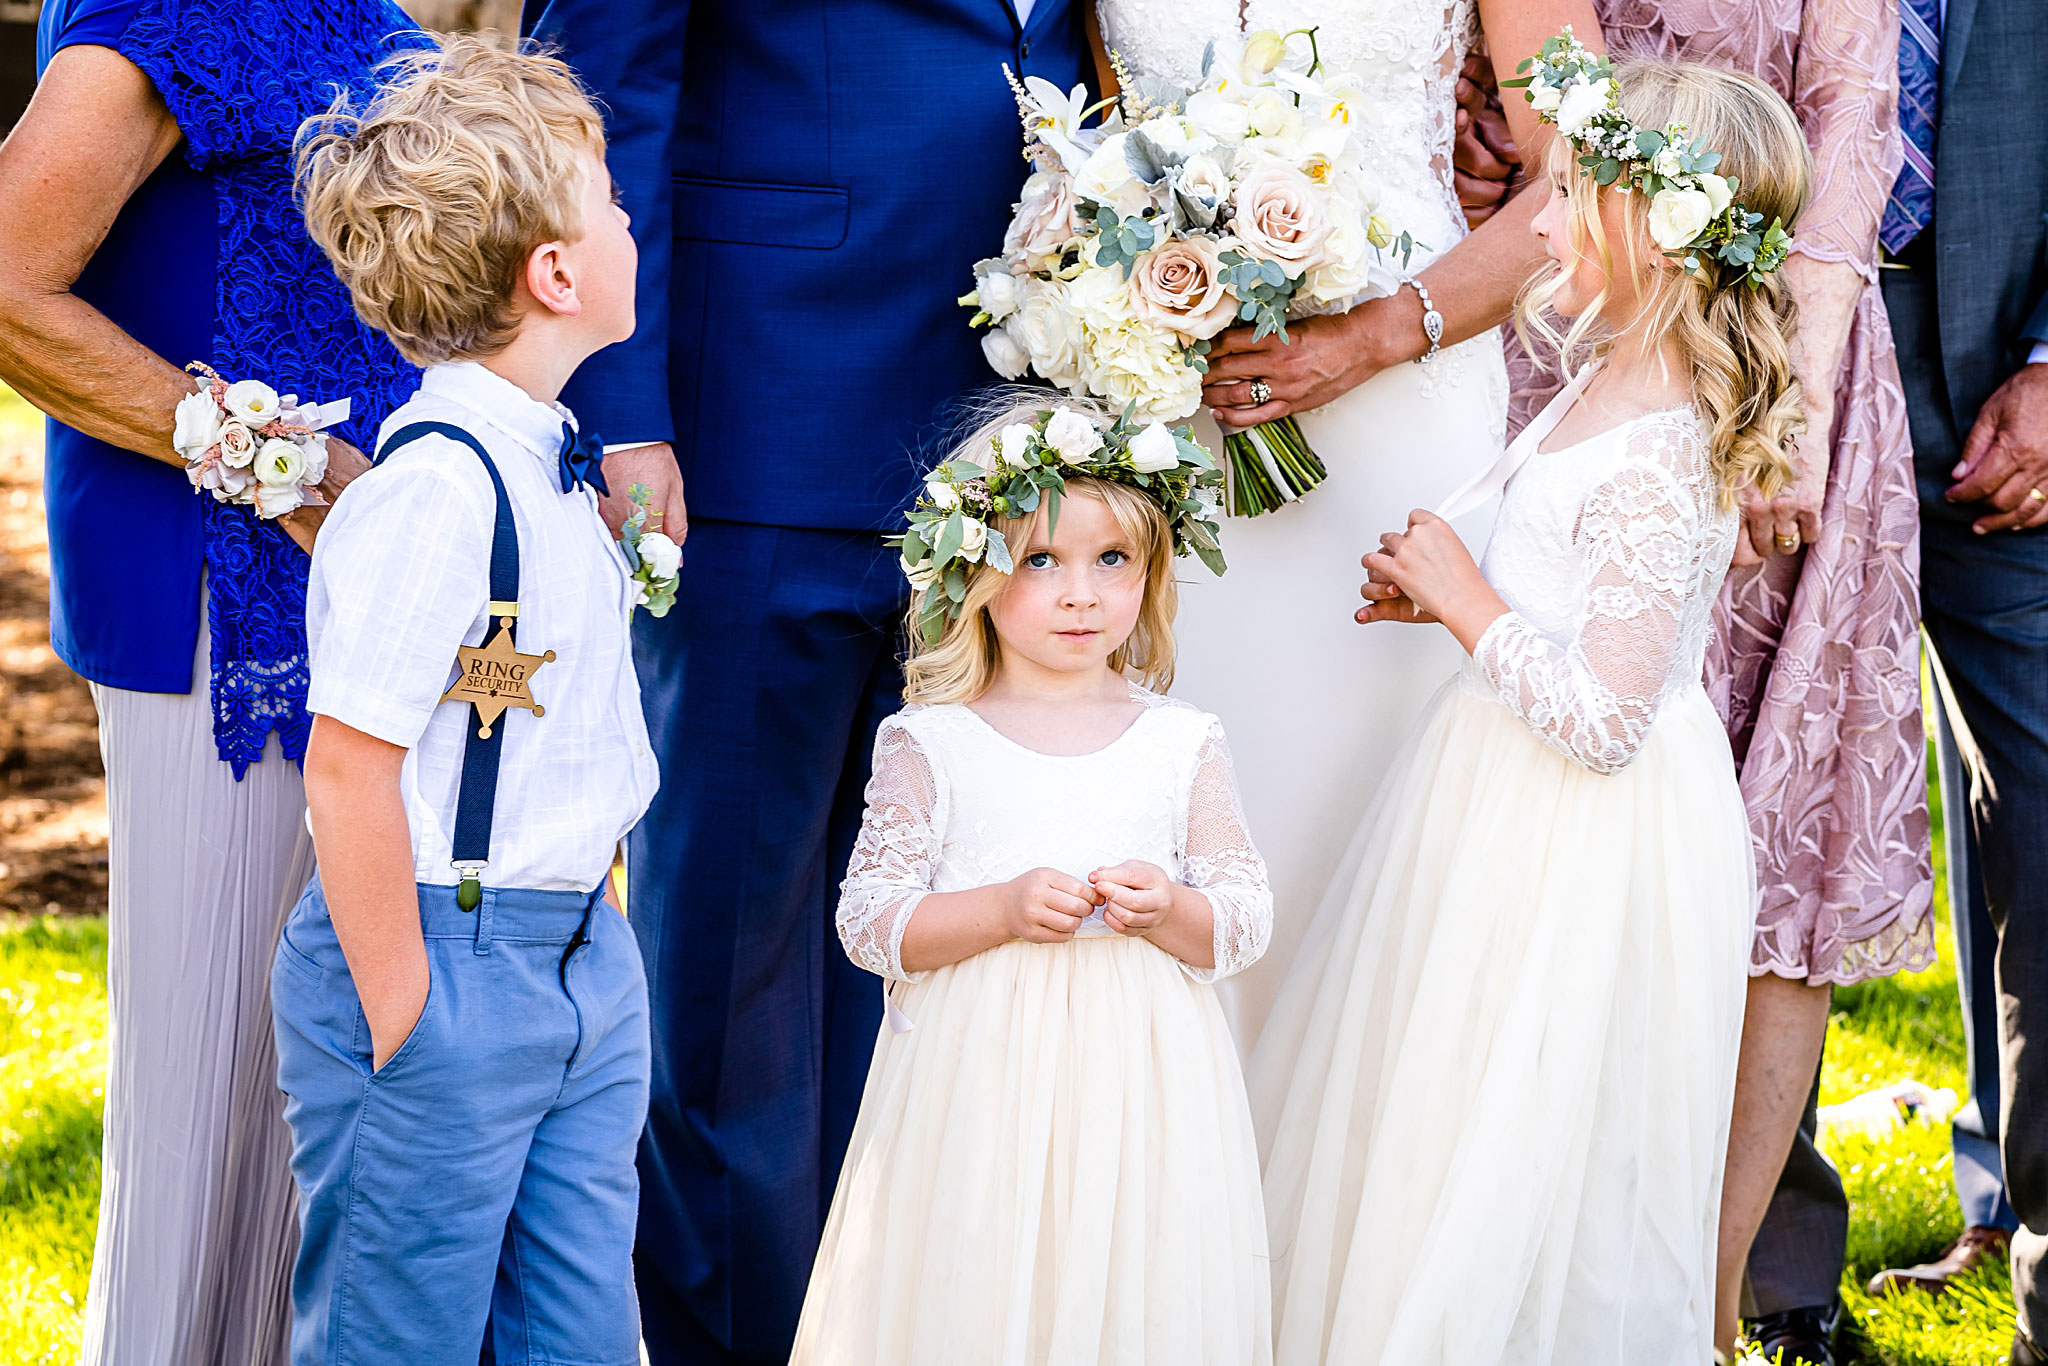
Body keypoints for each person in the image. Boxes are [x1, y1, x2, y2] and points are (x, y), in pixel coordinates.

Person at [516, 4, 1092, 1356]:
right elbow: (593, 95)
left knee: (920, 948)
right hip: (755, 428)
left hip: (1008, 464)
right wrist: (625, 407)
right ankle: (725, 1336)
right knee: (731, 960)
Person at [1251, 49, 1809, 1362]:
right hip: (1497, 801)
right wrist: (1443, 578)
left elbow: (1610, 721)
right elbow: (1538, 559)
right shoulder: (1602, 377)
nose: (1538, 223)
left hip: (1578, 843)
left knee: (1535, 1130)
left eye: (1566, 196)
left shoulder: (1665, 440)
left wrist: (1468, 605)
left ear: (1645, 228)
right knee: (1438, 1105)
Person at [1459, 7, 1930, 1357]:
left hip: (1789, 371)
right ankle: (1540, 1263)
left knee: (1786, 838)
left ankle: (1707, 1300)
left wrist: (1792, 405)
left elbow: (1856, 125)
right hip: (1587, 332)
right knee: (1556, 796)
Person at [0, 3, 420, 1360]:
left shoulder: (366, 10)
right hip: (219, 607)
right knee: (217, 1083)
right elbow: (8, 278)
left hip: (368, 604)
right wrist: (264, 461)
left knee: (330, 1090)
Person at [1091, 0, 1599, 1048]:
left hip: (1404, 403)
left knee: (1374, 805)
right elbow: (1094, 122)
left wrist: (1378, 332)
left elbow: (1583, 163)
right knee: (1179, 801)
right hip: (1166, 407)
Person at [272, 36, 658, 1361]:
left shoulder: (553, 469)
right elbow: (346, 768)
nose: (628, 217)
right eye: (609, 200)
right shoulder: (434, 492)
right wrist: (406, 1011)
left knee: (583, 1332)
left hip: (580, 961)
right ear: (557, 272)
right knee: (400, 1331)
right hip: (446, 961)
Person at [790, 395, 1273, 1363]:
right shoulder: (929, 740)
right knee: (984, 1277)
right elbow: (867, 921)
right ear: (975, 569)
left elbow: (1240, 919)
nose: (1079, 593)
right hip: (980, 1085)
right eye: (1040, 559)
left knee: (1126, 1282)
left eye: (1111, 562)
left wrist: (1169, 906)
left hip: (1140, 1087)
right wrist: (999, 909)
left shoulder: (1181, 741)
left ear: (1150, 575)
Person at [1861, 0, 2048, 1357]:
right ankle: (1764, 1264)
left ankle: (2037, 1243)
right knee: (1737, 802)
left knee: (2038, 815)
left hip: (2013, 361)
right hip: (1752, 367)